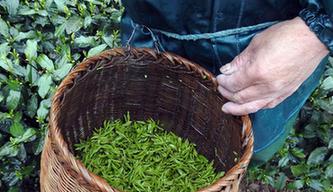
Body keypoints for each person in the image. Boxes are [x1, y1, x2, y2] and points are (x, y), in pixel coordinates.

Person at [120, 1, 332, 165]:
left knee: (243, 144)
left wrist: (317, 32)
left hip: (265, 39)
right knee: (147, 119)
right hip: (150, 24)